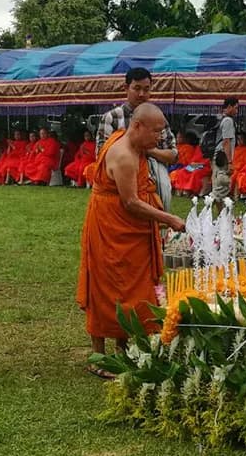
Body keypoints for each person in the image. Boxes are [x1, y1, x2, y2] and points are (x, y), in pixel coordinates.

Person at [77, 103, 186, 376]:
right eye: (156, 132)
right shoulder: (124, 155)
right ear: (137, 126)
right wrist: (168, 218)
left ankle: (123, 348)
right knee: (107, 287)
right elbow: (131, 203)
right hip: (112, 226)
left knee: (130, 288)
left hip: (129, 230)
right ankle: (98, 357)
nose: (159, 138)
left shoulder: (129, 140)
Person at [96, 67, 178, 206]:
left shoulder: (158, 119)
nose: (141, 94)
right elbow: (101, 156)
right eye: (137, 88)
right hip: (120, 188)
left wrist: (148, 151)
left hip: (155, 184)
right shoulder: (112, 118)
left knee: (156, 222)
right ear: (126, 88)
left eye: (146, 89)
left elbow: (173, 155)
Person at [210, 97, 239, 200]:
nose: (237, 111)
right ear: (229, 107)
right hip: (223, 158)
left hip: (218, 156)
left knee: (219, 188)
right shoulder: (228, 121)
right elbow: (226, 142)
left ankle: (220, 215)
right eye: (235, 108)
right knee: (220, 188)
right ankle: (206, 210)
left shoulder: (220, 118)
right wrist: (230, 162)